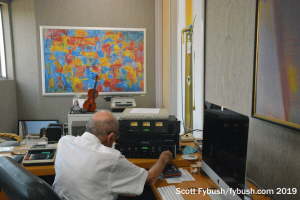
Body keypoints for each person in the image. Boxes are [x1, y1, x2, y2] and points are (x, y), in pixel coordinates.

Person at [52, 111, 172, 200]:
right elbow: (149, 179)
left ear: (87, 127)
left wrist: (118, 185)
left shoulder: (64, 142)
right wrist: (163, 159)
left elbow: (82, 176)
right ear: (110, 137)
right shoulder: (111, 157)